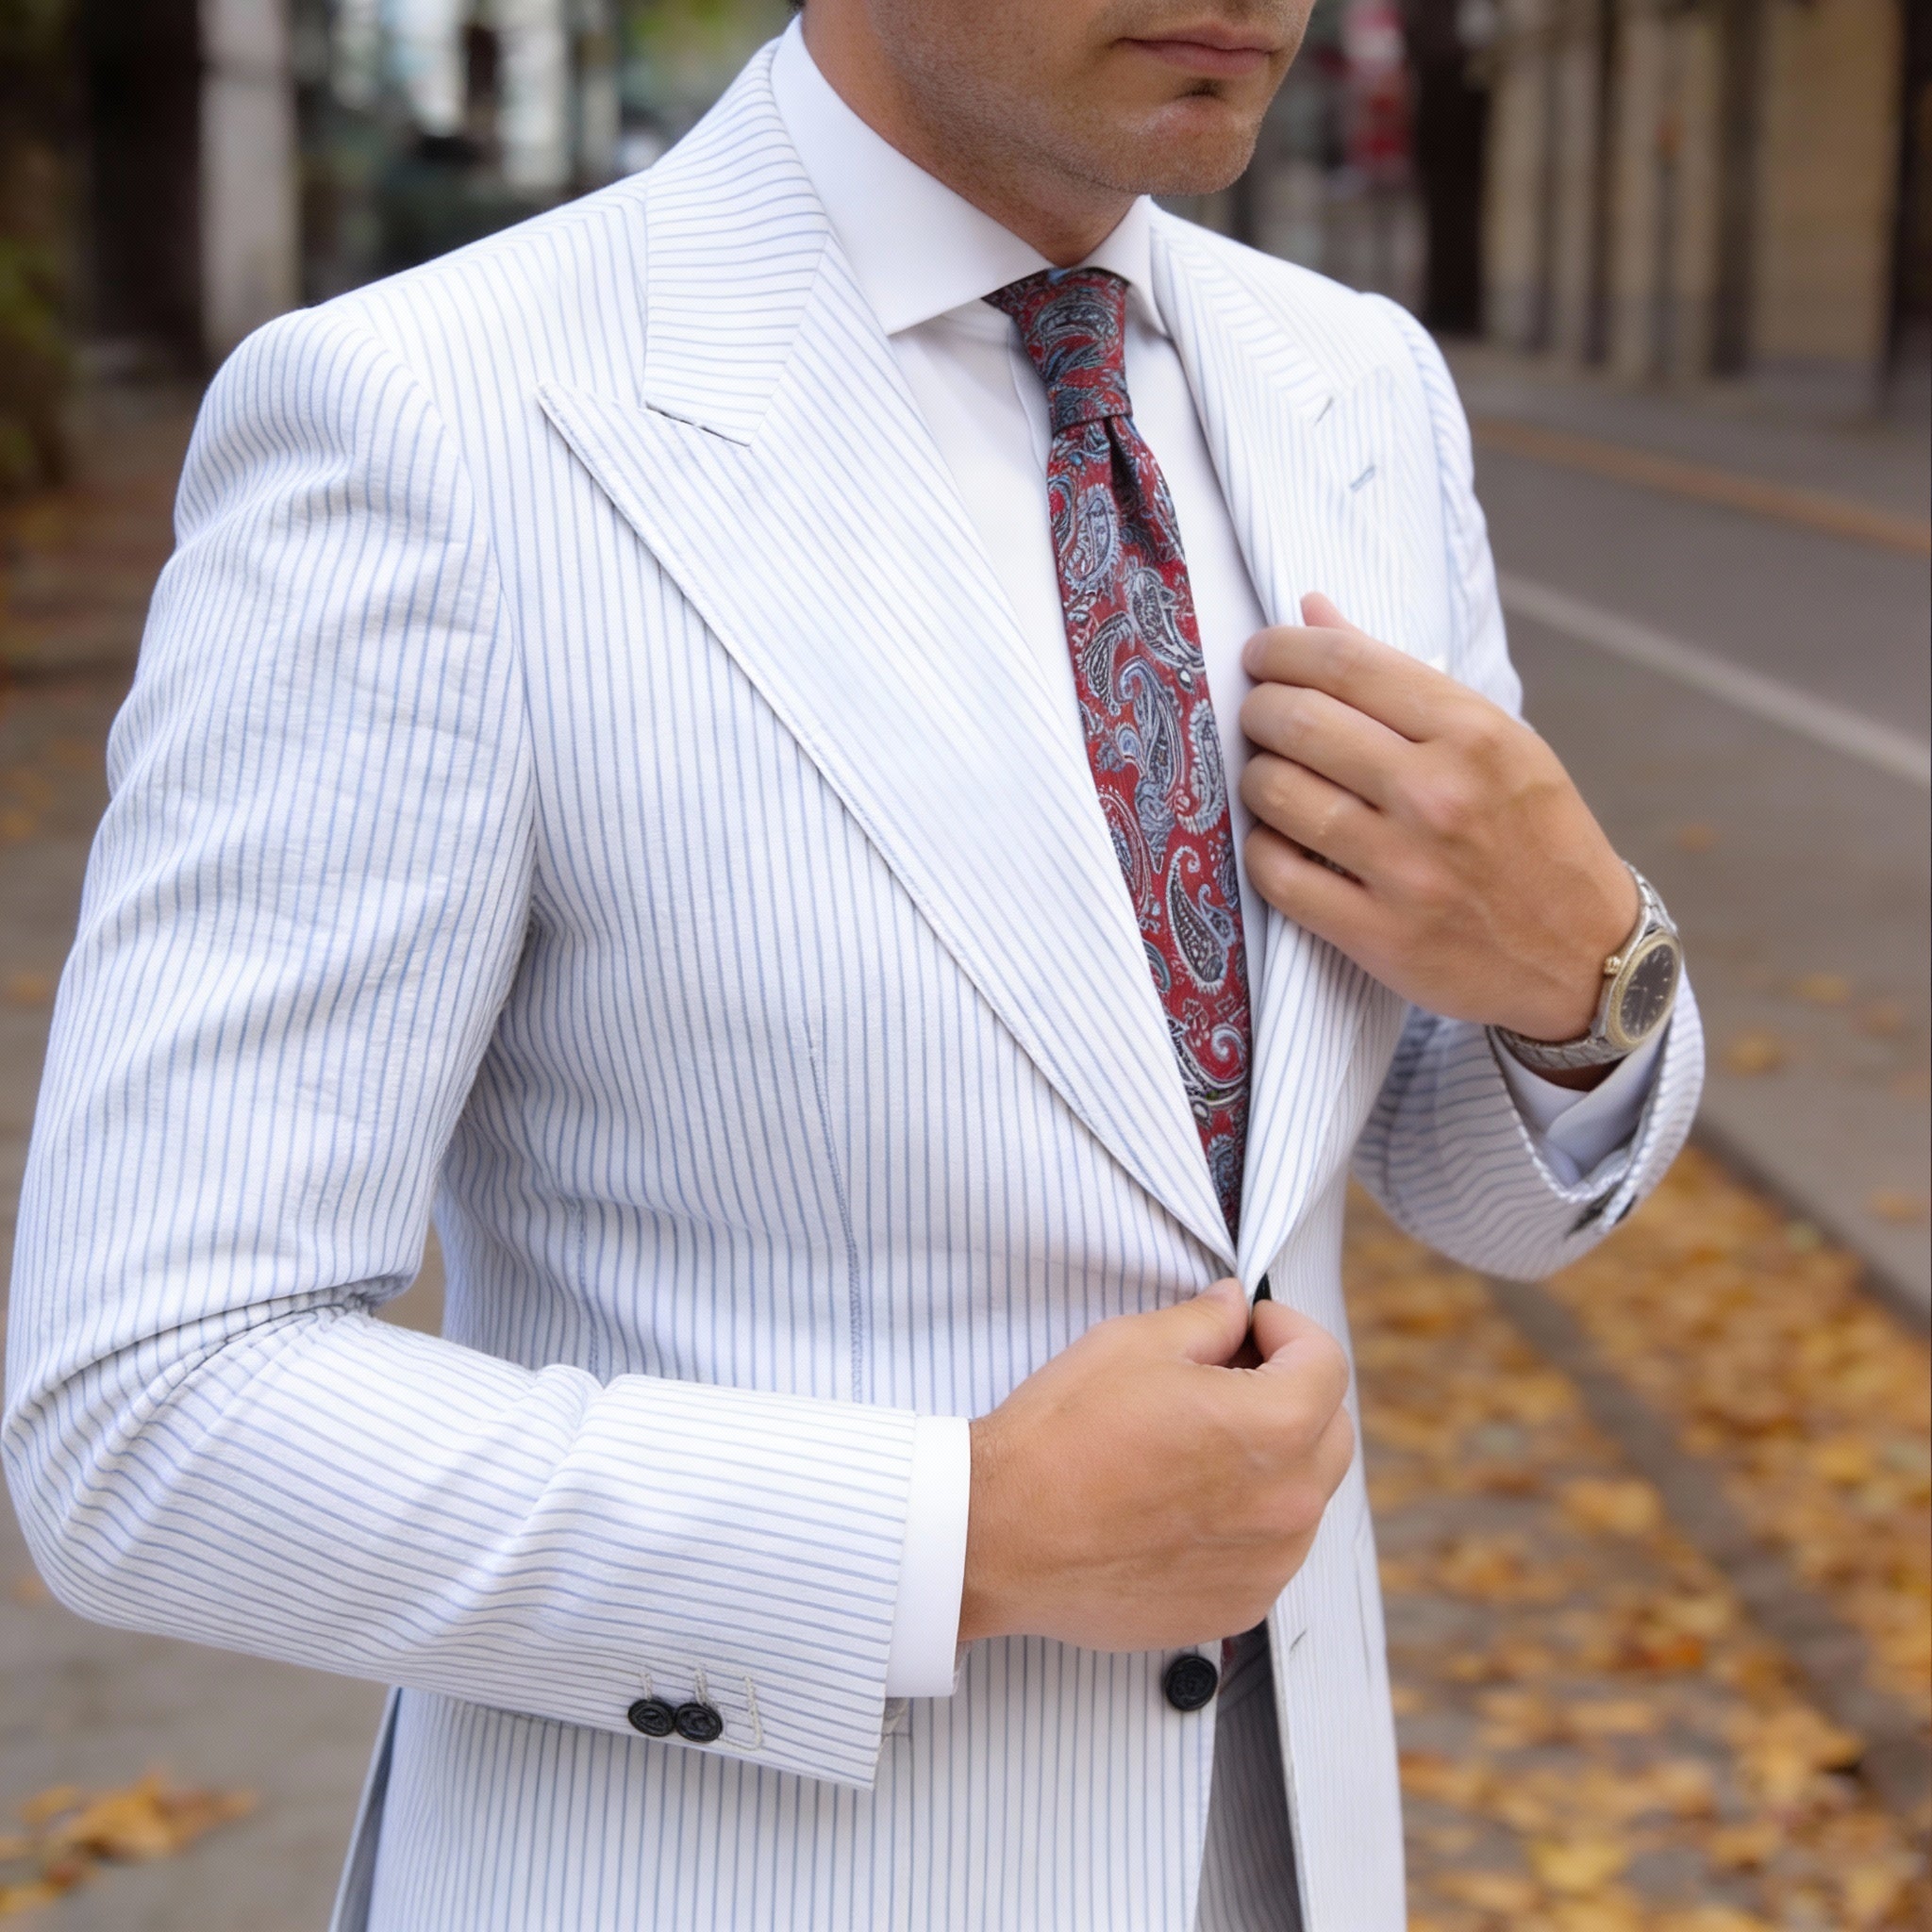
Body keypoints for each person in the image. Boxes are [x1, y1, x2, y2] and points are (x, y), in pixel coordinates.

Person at [3, 4, 1702, 1927]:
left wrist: (1589, 975)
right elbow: (144, 1417)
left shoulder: (1357, 386)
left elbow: (1474, 1187)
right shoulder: (435, 418)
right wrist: (953, 1535)